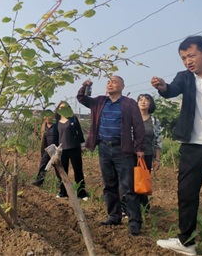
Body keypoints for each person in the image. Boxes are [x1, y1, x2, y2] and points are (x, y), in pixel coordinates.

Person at [152, 36, 202, 255]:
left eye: (191, 56)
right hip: (192, 146)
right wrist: (163, 87)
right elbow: (171, 89)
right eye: (183, 58)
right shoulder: (184, 77)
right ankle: (187, 242)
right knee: (186, 195)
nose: (187, 61)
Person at [77, 76, 145, 236]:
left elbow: (138, 126)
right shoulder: (100, 101)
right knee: (109, 185)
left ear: (122, 86)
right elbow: (81, 98)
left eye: (114, 81)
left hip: (123, 150)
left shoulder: (129, 103)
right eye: (108, 82)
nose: (110, 84)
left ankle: (134, 221)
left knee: (128, 187)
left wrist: (139, 147)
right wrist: (84, 85)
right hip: (104, 149)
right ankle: (114, 216)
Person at [54, 101, 89, 200]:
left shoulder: (73, 119)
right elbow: (55, 137)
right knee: (63, 172)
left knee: (78, 171)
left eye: (65, 107)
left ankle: (81, 193)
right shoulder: (56, 122)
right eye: (61, 108)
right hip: (62, 151)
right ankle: (63, 192)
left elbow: (80, 133)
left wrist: (82, 146)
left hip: (74, 148)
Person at [136, 93, 162, 210]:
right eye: (140, 100)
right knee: (130, 181)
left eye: (146, 100)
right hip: (131, 155)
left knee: (143, 181)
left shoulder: (154, 120)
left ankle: (144, 207)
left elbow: (158, 141)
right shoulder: (132, 118)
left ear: (150, 104)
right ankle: (131, 207)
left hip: (147, 155)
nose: (143, 102)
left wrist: (157, 159)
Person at [32, 110, 59, 187]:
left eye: (50, 116)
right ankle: (39, 182)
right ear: (45, 118)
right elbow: (42, 139)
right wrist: (36, 134)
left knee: (57, 168)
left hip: (55, 150)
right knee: (43, 166)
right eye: (46, 117)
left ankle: (62, 183)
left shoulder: (56, 126)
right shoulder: (44, 127)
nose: (48, 118)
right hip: (47, 150)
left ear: (52, 117)